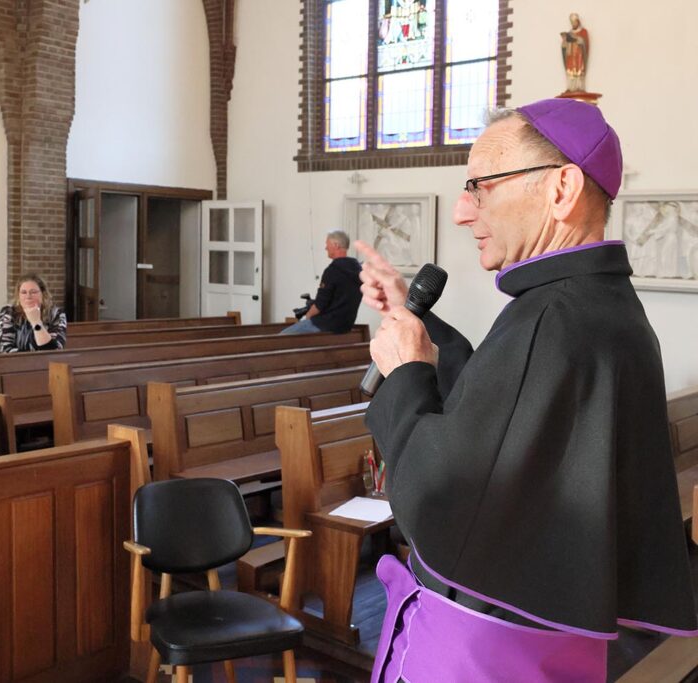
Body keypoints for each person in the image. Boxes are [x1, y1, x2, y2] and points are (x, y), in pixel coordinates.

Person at [358, 98, 697, 682]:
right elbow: (507, 409)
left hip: (481, 647)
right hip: (550, 637)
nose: (463, 212)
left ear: (561, 188)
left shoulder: (552, 317)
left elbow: (440, 495)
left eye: (480, 187)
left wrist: (406, 374)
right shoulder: (599, 307)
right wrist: (421, 329)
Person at [280, 230, 361, 334]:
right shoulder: (358, 271)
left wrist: (307, 317)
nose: (325, 248)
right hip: (345, 327)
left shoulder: (333, 270)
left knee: (280, 338)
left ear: (336, 245)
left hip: (325, 325)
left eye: (327, 244)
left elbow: (320, 305)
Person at [0, 274, 68, 352]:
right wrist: (32, 357)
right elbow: (4, 349)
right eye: (23, 292)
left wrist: (36, 322)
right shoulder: (9, 312)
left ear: (43, 294)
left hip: (46, 363)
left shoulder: (55, 314)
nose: (28, 296)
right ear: (18, 296)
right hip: (15, 363)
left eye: (33, 292)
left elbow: (53, 351)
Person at [561, 12, 589, 92]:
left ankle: (579, 87)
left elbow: (584, 44)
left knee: (579, 72)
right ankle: (571, 88)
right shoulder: (569, 33)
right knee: (570, 73)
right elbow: (564, 48)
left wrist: (578, 39)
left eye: (574, 22)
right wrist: (564, 42)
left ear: (578, 21)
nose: (573, 24)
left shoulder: (583, 32)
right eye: (572, 22)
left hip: (579, 58)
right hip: (571, 57)